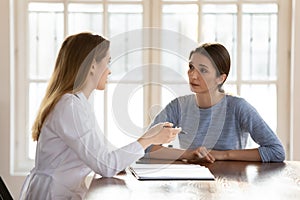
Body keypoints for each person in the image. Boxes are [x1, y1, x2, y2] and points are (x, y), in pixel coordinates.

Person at [19, 32, 181, 200]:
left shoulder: (77, 103)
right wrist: (149, 138)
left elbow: (100, 157)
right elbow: (105, 166)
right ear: (92, 66)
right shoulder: (70, 106)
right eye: (107, 62)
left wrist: (133, 151)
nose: (109, 71)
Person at [146, 43, 285, 163]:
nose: (193, 75)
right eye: (191, 67)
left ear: (220, 78)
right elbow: (146, 146)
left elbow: (276, 151)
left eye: (203, 70)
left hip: (230, 183)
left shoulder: (238, 107)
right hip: (190, 184)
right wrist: (189, 154)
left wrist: (222, 155)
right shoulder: (178, 106)